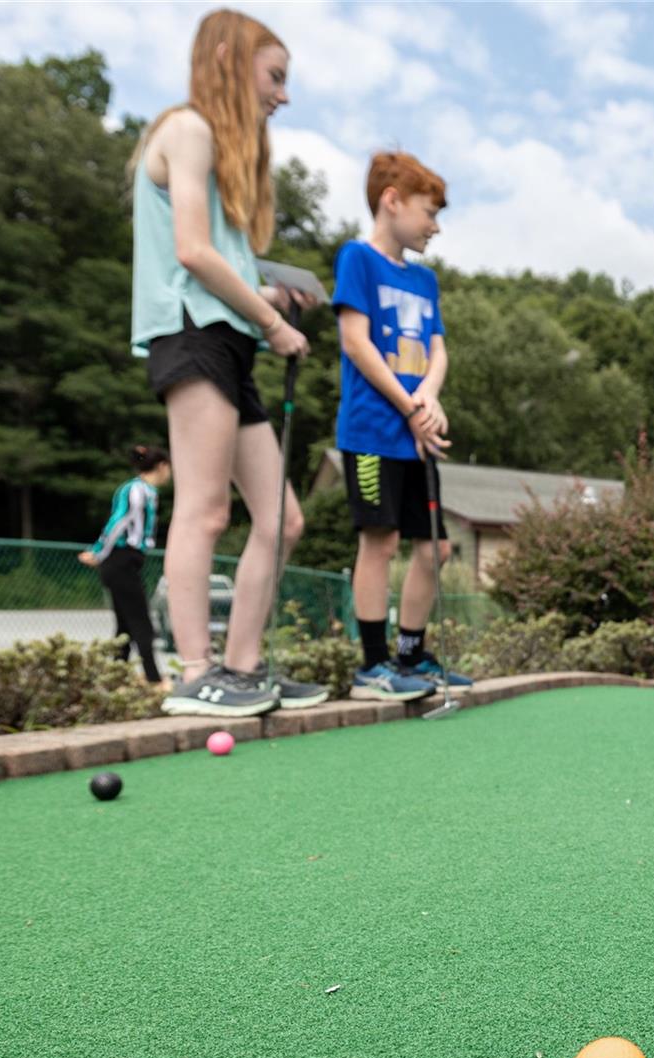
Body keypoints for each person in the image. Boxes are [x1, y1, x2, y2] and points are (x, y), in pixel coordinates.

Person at [130, 7, 324, 718]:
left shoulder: (225, 162)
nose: (283, 94)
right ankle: (195, 674)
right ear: (228, 61)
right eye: (275, 76)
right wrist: (274, 322)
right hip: (192, 336)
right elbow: (192, 253)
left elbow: (225, 267)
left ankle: (241, 669)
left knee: (282, 519)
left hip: (228, 341)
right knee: (206, 510)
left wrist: (272, 296)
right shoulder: (187, 130)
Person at [334, 151, 472, 701]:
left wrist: (429, 397)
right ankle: (373, 667)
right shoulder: (357, 259)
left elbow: (438, 350)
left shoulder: (426, 280)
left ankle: (411, 656)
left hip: (420, 436)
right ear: (392, 201)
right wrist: (411, 408)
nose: (435, 226)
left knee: (435, 548)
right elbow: (356, 343)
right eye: (429, 213)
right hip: (373, 431)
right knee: (380, 541)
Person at [78, 444, 171, 689]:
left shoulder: (147, 491)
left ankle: (115, 676)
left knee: (125, 624)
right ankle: (153, 678)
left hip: (126, 560)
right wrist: (99, 551)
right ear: (162, 466)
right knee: (141, 621)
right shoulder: (136, 490)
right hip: (120, 559)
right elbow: (119, 521)